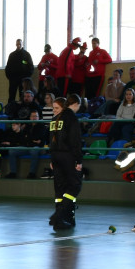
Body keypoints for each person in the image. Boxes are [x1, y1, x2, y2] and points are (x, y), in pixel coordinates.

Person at [48, 95, 83, 229]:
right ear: (76, 104)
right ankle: (59, 214)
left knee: (60, 187)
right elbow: (75, 141)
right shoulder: (71, 118)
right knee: (75, 186)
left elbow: (51, 140)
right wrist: (78, 160)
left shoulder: (54, 120)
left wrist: (51, 158)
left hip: (55, 156)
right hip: (67, 156)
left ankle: (59, 221)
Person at [5, 38, 34, 104]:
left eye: (20, 44)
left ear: (22, 44)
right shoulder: (12, 55)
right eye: (17, 44)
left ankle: (23, 109)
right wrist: (9, 77)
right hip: (13, 79)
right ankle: (10, 109)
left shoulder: (26, 55)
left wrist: (27, 78)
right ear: (15, 44)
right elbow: (8, 67)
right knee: (12, 95)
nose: (18, 46)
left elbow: (31, 67)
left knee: (23, 96)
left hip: (23, 79)